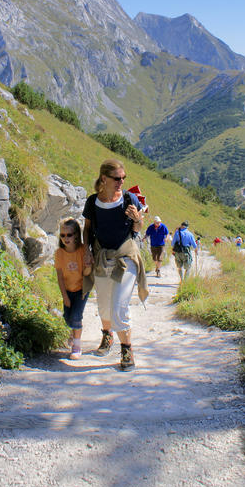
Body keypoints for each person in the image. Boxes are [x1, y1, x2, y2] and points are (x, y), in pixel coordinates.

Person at [82, 159, 148, 372]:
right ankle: (107, 335)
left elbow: (138, 228)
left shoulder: (130, 199)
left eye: (123, 178)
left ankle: (127, 350)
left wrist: (137, 218)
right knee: (103, 305)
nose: (121, 182)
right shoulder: (93, 202)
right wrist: (86, 250)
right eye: (117, 178)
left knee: (119, 306)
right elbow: (87, 228)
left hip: (125, 258)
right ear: (104, 178)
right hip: (102, 256)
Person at [54, 217, 92, 360]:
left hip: (82, 289)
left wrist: (88, 266)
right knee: (67, 318)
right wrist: (64, 296)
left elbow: (87, 274)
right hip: (68, 290)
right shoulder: (59, 253)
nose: (66, 238)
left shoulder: (83, 250)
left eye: (69, 235)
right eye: (63, 235)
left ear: (76, 234)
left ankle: (76, 346)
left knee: (76, 317)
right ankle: (73, 332)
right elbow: (59, 276)